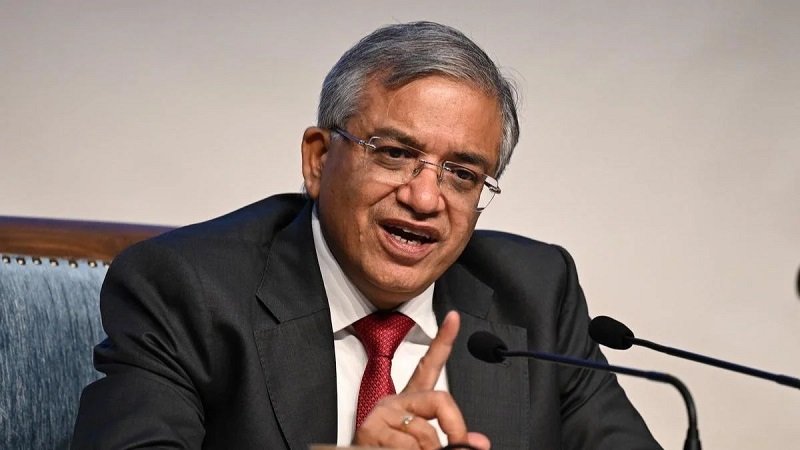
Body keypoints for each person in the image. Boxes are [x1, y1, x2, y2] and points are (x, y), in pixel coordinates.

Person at [72, 21, 661, 449]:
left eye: (462, 173)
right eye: (395, 153)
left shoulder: (536, 292)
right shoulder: (186, 288)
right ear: (318, 159)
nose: (424, 199)